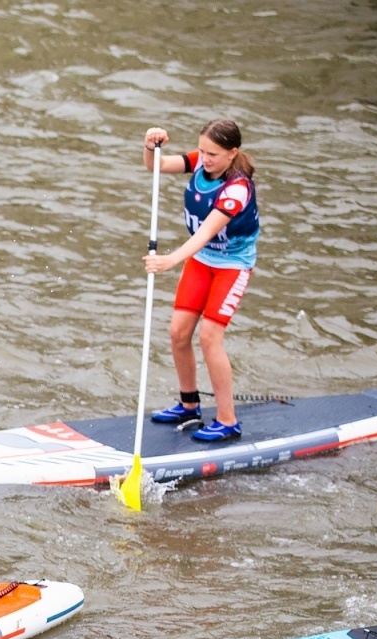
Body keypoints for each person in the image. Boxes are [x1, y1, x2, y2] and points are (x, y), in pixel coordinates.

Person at [142, 119, 260, 442]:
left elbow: (207, 230)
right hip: (202, 260)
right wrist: (149, 144)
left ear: (232, 153)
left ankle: (227, 420)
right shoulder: (200, 162)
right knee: (178, 333)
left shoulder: (237, 188)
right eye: (203, 151)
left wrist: (169, 259)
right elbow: (156, 166)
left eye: (213, 154)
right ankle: (189, 404)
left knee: (209, 337)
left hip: (232, 265)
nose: (204, 159)